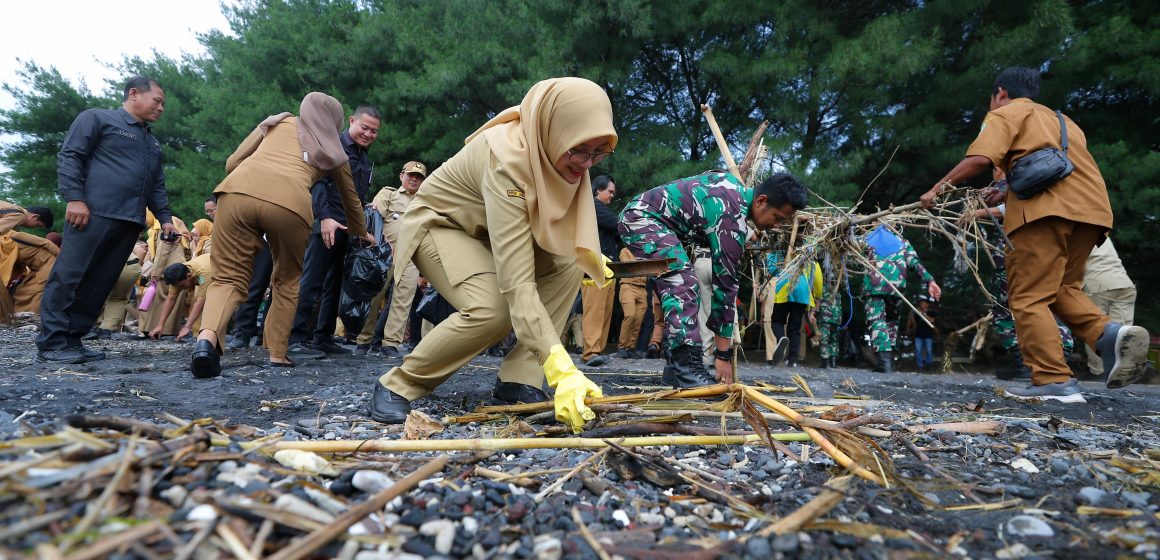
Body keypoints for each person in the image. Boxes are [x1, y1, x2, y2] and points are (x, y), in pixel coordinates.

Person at [365, 77, 613, 434]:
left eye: (598, 153)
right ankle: (398, 383)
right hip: (442, 226)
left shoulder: (562, 157)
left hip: (486, 235)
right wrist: (563, 370)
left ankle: (519, 380)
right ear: (554, 129)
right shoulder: (508, 160)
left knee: (568, 263)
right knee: (492, 308)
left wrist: (587, 257)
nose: (587, 163)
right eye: (580, 150)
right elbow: (517, 283)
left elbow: (562, 231)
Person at [920, 66, 1150, 403]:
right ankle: (1109, 334)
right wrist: (1007, 191)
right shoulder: (1062, 120)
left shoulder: (1004, 112)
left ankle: (1053, 380)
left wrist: (935, 190)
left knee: (1027, 296)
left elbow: (980, 158)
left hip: (1045, 215)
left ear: (1000, 92)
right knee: (1060, 289)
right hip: (1091, 212)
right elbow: (1057, 167)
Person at [191, 92, 370, 377]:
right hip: (290, 206)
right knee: (287, 279)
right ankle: (277, 353)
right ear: (337, 121)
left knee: (228, 278)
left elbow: (231, 162)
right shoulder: (335, 149)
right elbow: (351, 201)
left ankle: (206, 340)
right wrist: (362, 234)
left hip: (236, 193)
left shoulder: (279, 121)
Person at [36, 76, 177, 364]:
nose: (161, 108)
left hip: (130, 221)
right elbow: (71, 155)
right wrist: (74, 198)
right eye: (157, 101)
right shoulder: (97, 119)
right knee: (69, 276)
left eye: (163, 104)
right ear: (134, 94)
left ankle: (74, 339)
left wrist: (165, 218)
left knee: (100, 282)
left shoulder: (153, 143)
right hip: (92, 214)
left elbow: (156, 185)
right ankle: (51, 343)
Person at [620, 172, 807, 388]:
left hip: (651, 219)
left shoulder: (732, 191)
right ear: (761, 201)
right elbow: (725, 289)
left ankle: (674, 369)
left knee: (683, 281)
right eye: (777, 217)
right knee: (683, 282)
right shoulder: (731, 220)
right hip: (641, 219)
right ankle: (687, 369)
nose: (775, 225)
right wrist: (723, 356)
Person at [287, 105, 380, 358]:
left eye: (374, 131)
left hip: (347, 229)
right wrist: (324, 218)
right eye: (365, 127)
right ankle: (296, 338)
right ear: (351, 121)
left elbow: (356, 197)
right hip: (326, 223)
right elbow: (317, 183)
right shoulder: (333, 145)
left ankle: (323, 337)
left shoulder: (362, 156)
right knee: (311, 280)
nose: (369, 134)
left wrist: (361, 229)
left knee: (335, 284)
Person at [356, 161, 427, 357]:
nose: (414, 179)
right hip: (384, 254)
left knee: (403, 300)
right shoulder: (389, 194)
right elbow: (375, 217)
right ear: (401, 175)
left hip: (412, 257)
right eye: (411, 175)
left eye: (419, 177)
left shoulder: (426, 200)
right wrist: (383, 245)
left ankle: (391, 344)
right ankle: (364, 340)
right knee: (374, 297)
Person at [861, 225, 941, 374]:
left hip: (874, 287)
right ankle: (889, 360)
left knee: (877, 320)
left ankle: (884, 362)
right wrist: (930, 280)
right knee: (891, 321)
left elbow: (849, 252)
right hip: (897, 288)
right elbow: (915, 263)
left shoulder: (866, 240)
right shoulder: (902, 242)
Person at [579, 175, 619, 367]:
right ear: (597, 190)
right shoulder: (593, 207)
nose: (612, 196)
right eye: (610, 192)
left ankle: (597, 351)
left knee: (604, 311)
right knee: (595, 310)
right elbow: (617, 224)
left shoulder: (601, 209)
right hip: (594, 267)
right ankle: (590, 352)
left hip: (606, 268)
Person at [1082, 238, 1136, 378]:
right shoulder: (1100, 233)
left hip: (1097, 284)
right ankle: (1122, 372)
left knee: (1095, 329)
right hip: (1124, 284)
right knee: (1121, 334)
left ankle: (1098, 372)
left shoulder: (1074, 233)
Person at [771, 256, 823, 367]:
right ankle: (793, 360)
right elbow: (818, 281)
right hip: (802, 293)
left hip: (784, 290)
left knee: (777, 321)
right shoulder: (811, 259)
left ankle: (781, 338)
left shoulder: (782, 252)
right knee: (794, 328)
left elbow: (771, 270)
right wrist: (818, 297)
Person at [149, 253, 212, 342]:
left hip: (221, 271)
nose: (180, 288)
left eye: (182, 285)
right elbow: (171, 299)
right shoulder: (177, 276)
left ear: (189, 276)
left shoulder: (202, 274)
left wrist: (187, 327)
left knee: (207, 303)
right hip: (204, 270)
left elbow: (200, 301)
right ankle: (198, 334)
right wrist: (160, 325)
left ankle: (208, 335)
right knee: (193, 301)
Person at [92, 241, 146, 338]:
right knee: (117, 299)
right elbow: (141, 251)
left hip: (106, 264)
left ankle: (84, 328)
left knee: (90, 295)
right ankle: (106, 330)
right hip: (131, 265)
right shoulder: (126, 236)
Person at [7, 232, 59, 314]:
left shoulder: (15, 236)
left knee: (32, 292)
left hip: (49, 264)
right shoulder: (4, 250)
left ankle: (34, 317)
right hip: (35, 270)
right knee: (20, 291)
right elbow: (17, 269)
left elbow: (47, 243)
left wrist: (62, 260)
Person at [615, 246, 647, 359]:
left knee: (638, 320)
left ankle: (630, 347)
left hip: (642, 288)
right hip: (628, 286)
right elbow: (629, 265)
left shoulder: (645, 250)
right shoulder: (625, 250)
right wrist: (644, 262)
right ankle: (622, 347)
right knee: (630, 314)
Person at [906, 296, 939, 370]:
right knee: (918, 351)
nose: (921, 304)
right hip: (919, 334)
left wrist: (923, 314)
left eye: (923, 303)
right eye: (921, 303)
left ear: (927, 304)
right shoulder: (916, 313)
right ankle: (919, 366)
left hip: (928, 335)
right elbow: (913, 322)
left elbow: (932, 320)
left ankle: (928, 365)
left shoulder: (931, 313)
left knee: (929, 350)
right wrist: (909, 329)